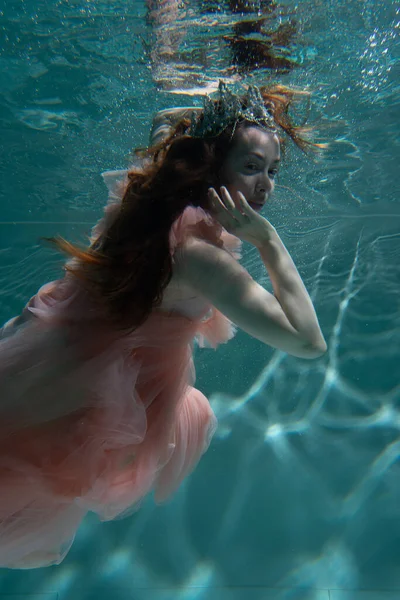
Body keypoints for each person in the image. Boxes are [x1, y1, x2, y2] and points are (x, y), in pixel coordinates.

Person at [0, 81, 326, 570]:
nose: (266, 186)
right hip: (92, 398)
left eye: (273, 171)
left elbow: (163, 133)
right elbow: (308, 343)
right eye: (252, 167)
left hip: (55, 365)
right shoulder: (197, 258)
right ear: (211, 166)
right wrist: (269, 242)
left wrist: (177, 88)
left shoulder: (146, 196)